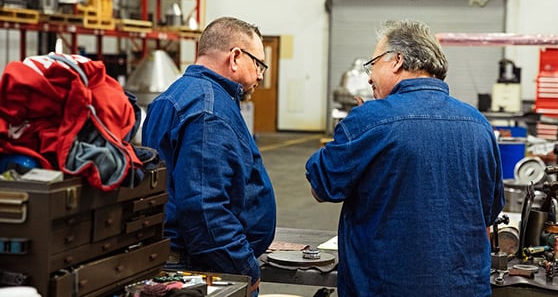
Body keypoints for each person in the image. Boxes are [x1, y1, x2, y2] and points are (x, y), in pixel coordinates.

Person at [305, 19, 505, 296]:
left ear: (397, 61)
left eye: (372, 64)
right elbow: (488, 213)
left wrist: (353, 128)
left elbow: (320, 186)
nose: (369, 76)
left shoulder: (370, 119)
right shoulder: (479, 125)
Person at [142, 16, 276, 296]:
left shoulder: (173, 96)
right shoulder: (209, 110)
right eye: (259, 64)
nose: (261, 75)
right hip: (202, 267)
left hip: (175, 255)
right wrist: (244, 268)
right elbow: (205, 209)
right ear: (236, 57)